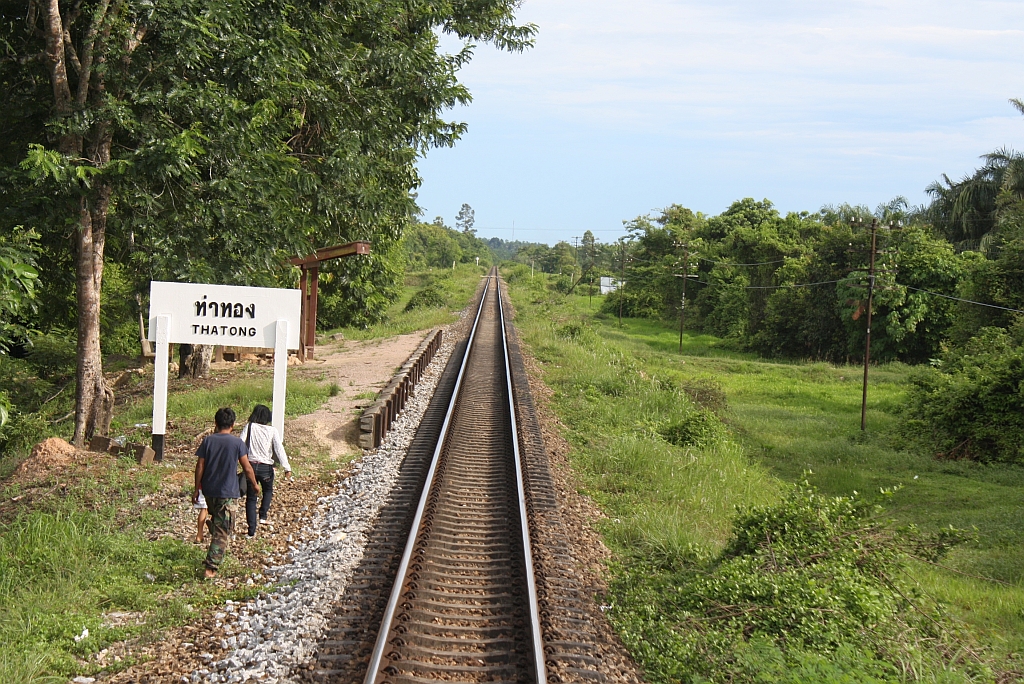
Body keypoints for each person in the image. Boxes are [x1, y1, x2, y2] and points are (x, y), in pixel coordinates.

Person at [194, 407, 257, 579]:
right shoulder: (237, 443)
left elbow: (200, 466)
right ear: (233, 424)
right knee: (224, 530)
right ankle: (210, 567)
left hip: (209, 491)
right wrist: (255, 485)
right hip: (227, 492)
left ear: (216, 423)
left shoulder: (208, 441)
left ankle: (213, 526)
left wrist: (196, 488)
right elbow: (247, 467)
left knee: (220, 522)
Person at [240, 404, 293, 537]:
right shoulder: (272, 430)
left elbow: (240, 443)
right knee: (268, 490)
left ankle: (251, 531)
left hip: (250, 466)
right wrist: (287, 467)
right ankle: (263, 516)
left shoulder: (250, 426)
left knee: (251, 498)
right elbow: (279, 449)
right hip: (266, 467)